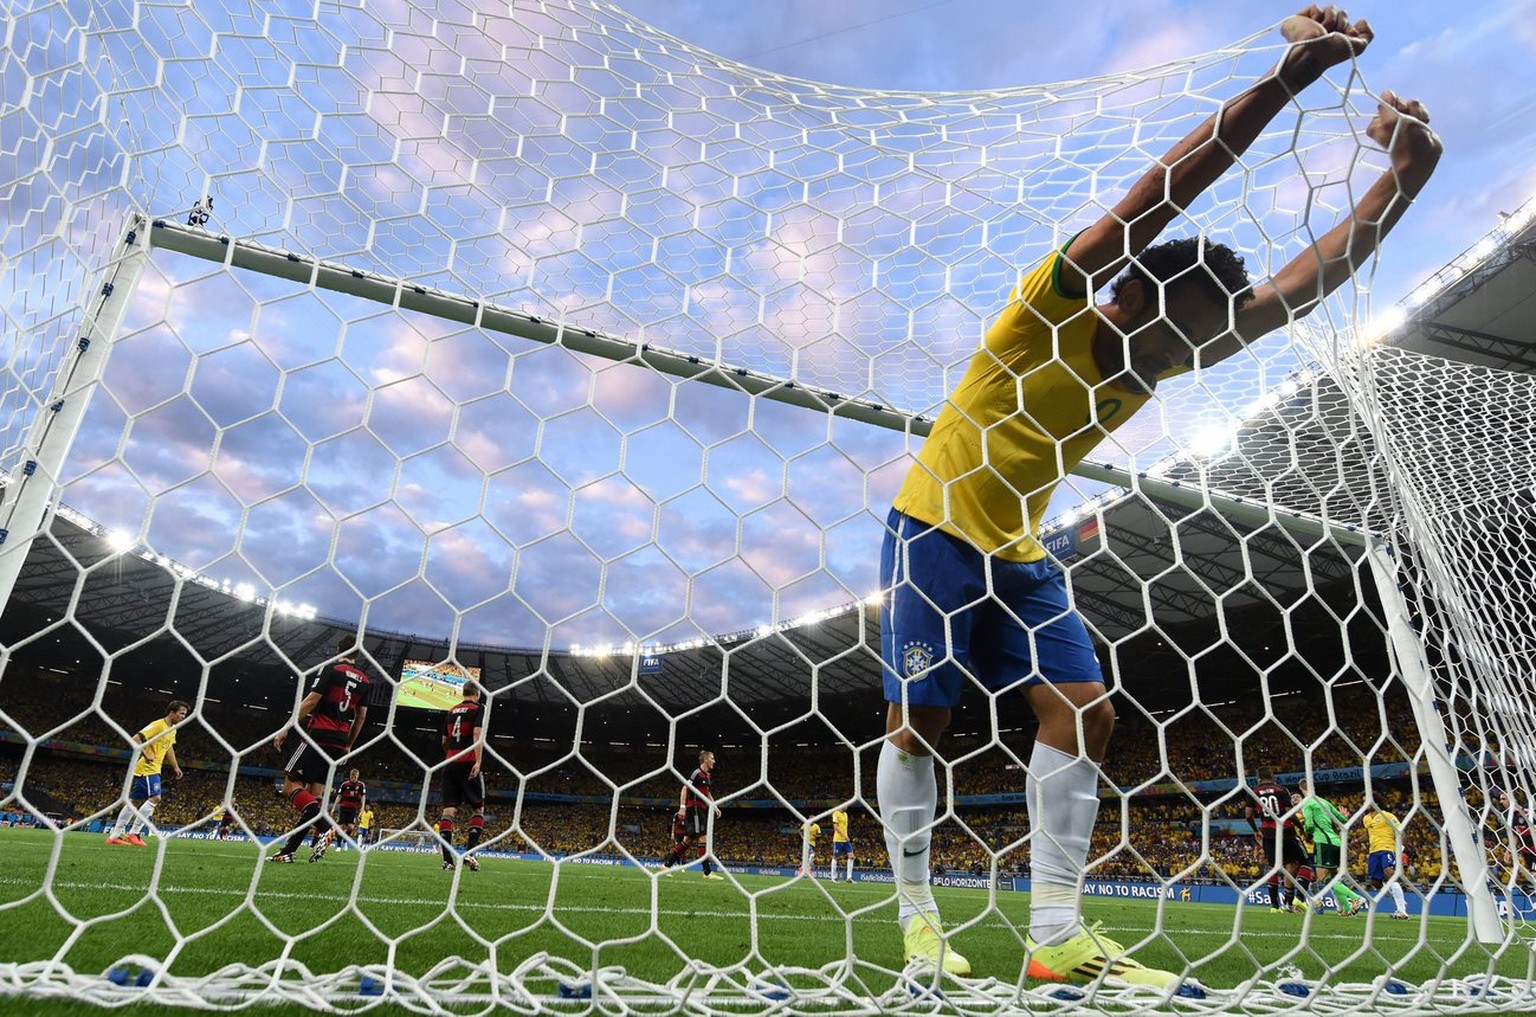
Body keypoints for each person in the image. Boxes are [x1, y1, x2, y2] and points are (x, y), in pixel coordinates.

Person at [875, 7, 1441, 984]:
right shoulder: (1039, 315)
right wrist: (1287, 82)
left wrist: (1407, 178)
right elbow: (1152, 201)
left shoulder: (1154, 357)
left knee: (1085, 711)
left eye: (1190, 347)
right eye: (1171, 336)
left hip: (1014, 549)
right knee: (921, 723)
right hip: (932, 524)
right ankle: (920, 920)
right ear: (1126, 296)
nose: (1177, 363)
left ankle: (1054, 938)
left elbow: (1303, 286)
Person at [269, 639, 371, 863]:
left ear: (338, 650)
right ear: (358, 655)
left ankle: (325, 828)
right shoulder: (365, 680)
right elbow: (360, 717)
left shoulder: (331, 669)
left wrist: (286, 729)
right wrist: (348, 745)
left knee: (289, 786)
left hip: (318, 734)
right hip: (339, 740)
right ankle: (288, 852)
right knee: (313, 798)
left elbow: (311, 701)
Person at [106, 700, 189, 846]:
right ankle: (134, 833)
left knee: (135, 802)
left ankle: (114, 836)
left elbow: (169, 749)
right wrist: (145, 754)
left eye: (185, 714)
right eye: (181, 713)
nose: (183, 717)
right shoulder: (158, 725)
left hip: (154, 768)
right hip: (147, 768)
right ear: (172, 712)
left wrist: (175, 767)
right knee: (156, 798)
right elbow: (135, 739)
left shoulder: (173, 729)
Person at [436, 681, 487, 872]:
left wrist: (451, 755)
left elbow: (444, 740)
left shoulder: (451, 711)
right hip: (468, 762)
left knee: (448, 811)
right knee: (478, 808)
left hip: (450, 763)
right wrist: (477, 761)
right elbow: (477, 734)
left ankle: (447, 860)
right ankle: (470, 855)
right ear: (477, 694)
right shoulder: (478, 709)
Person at [1298, 778, 1366, 915]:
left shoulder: (1307, 803)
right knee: (1334, 878)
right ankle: (1346, 909)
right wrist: (1344, 815)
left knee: (1322, 877)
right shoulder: (1325, 803)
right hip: (1336, 842)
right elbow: (1343, 820)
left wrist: (1306, 831)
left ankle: (1356, 898)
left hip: (1323, 842)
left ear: (1301, 789)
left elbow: (1310, 826)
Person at [1246, 771, 1304, 913]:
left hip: (1268, 833)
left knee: (1272, 867)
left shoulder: (1253, 792)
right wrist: (1301, 827)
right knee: (1296, 863)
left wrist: (1255, 830)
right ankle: (1290, 900)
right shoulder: (1281, 790)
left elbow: (1248, 815)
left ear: (1259, 779)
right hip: (1286, 831)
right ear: (1273, 778)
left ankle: (1274, 906)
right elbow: (1290, 813)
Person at [661, 750, 723, 879]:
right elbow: (685, 788)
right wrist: (682, 807)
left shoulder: (708, 776)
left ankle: (667, 865)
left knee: (687, 841)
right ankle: (707, 872)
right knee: (703, 838)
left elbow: (707, 793)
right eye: (712, 758)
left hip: (701, 810)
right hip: (694, 809)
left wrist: (714, 806)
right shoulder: (697, 774)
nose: (714, 761)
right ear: (705, 760)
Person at [1361, 800, 1410, 919]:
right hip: (1373, 851)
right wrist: (1355, 841)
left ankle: (1402, 910)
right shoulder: (1366, 818)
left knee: (1389, 873)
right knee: (1375, 882)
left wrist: (1401, 847)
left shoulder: (1387, 815)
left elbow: (1400, 831)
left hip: (1387, 848)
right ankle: (1397, 901)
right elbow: (1368, 835)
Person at [335, 768, 368, 851]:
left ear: (357, 776)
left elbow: (363, 796)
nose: (354, 778)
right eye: (352, 777)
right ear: (350, 776)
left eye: (355, 777)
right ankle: (338, 846)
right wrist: (334, 807)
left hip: (353, 808)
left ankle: (345, 841)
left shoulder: (361, 785)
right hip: (343, 807)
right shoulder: (344, 784)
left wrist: (362, 806)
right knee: (341, 827)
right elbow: (339, 796)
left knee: (351, 827)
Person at [830, 808, 853, 881]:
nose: (846, 807)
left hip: (845, 839)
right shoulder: (835, 813)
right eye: (845, 805)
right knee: (835, 857)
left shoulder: (845, 814)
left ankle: (849, 877)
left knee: (851, 856)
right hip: (838, 839)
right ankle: (833, 877)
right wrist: (844, 836)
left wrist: (846, 836)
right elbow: (835, 827)